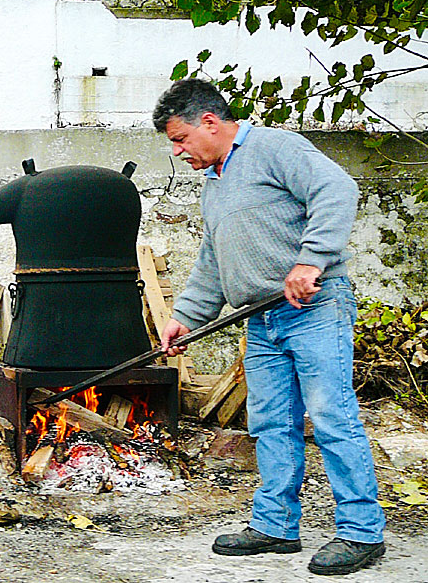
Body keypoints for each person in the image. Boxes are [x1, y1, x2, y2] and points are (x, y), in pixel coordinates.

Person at [152, 79, 385, 576]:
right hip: (260, 321)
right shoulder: (214, 186)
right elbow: (213, 262)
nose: (177, 151)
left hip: (315, 308)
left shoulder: (275, 147)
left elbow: (337, 188)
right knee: (271, 424)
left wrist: (311, 261)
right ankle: (276, 526)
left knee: (331, 417)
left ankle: (362, 533)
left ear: (209, 123)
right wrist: (184, 318)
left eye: (180, 139)